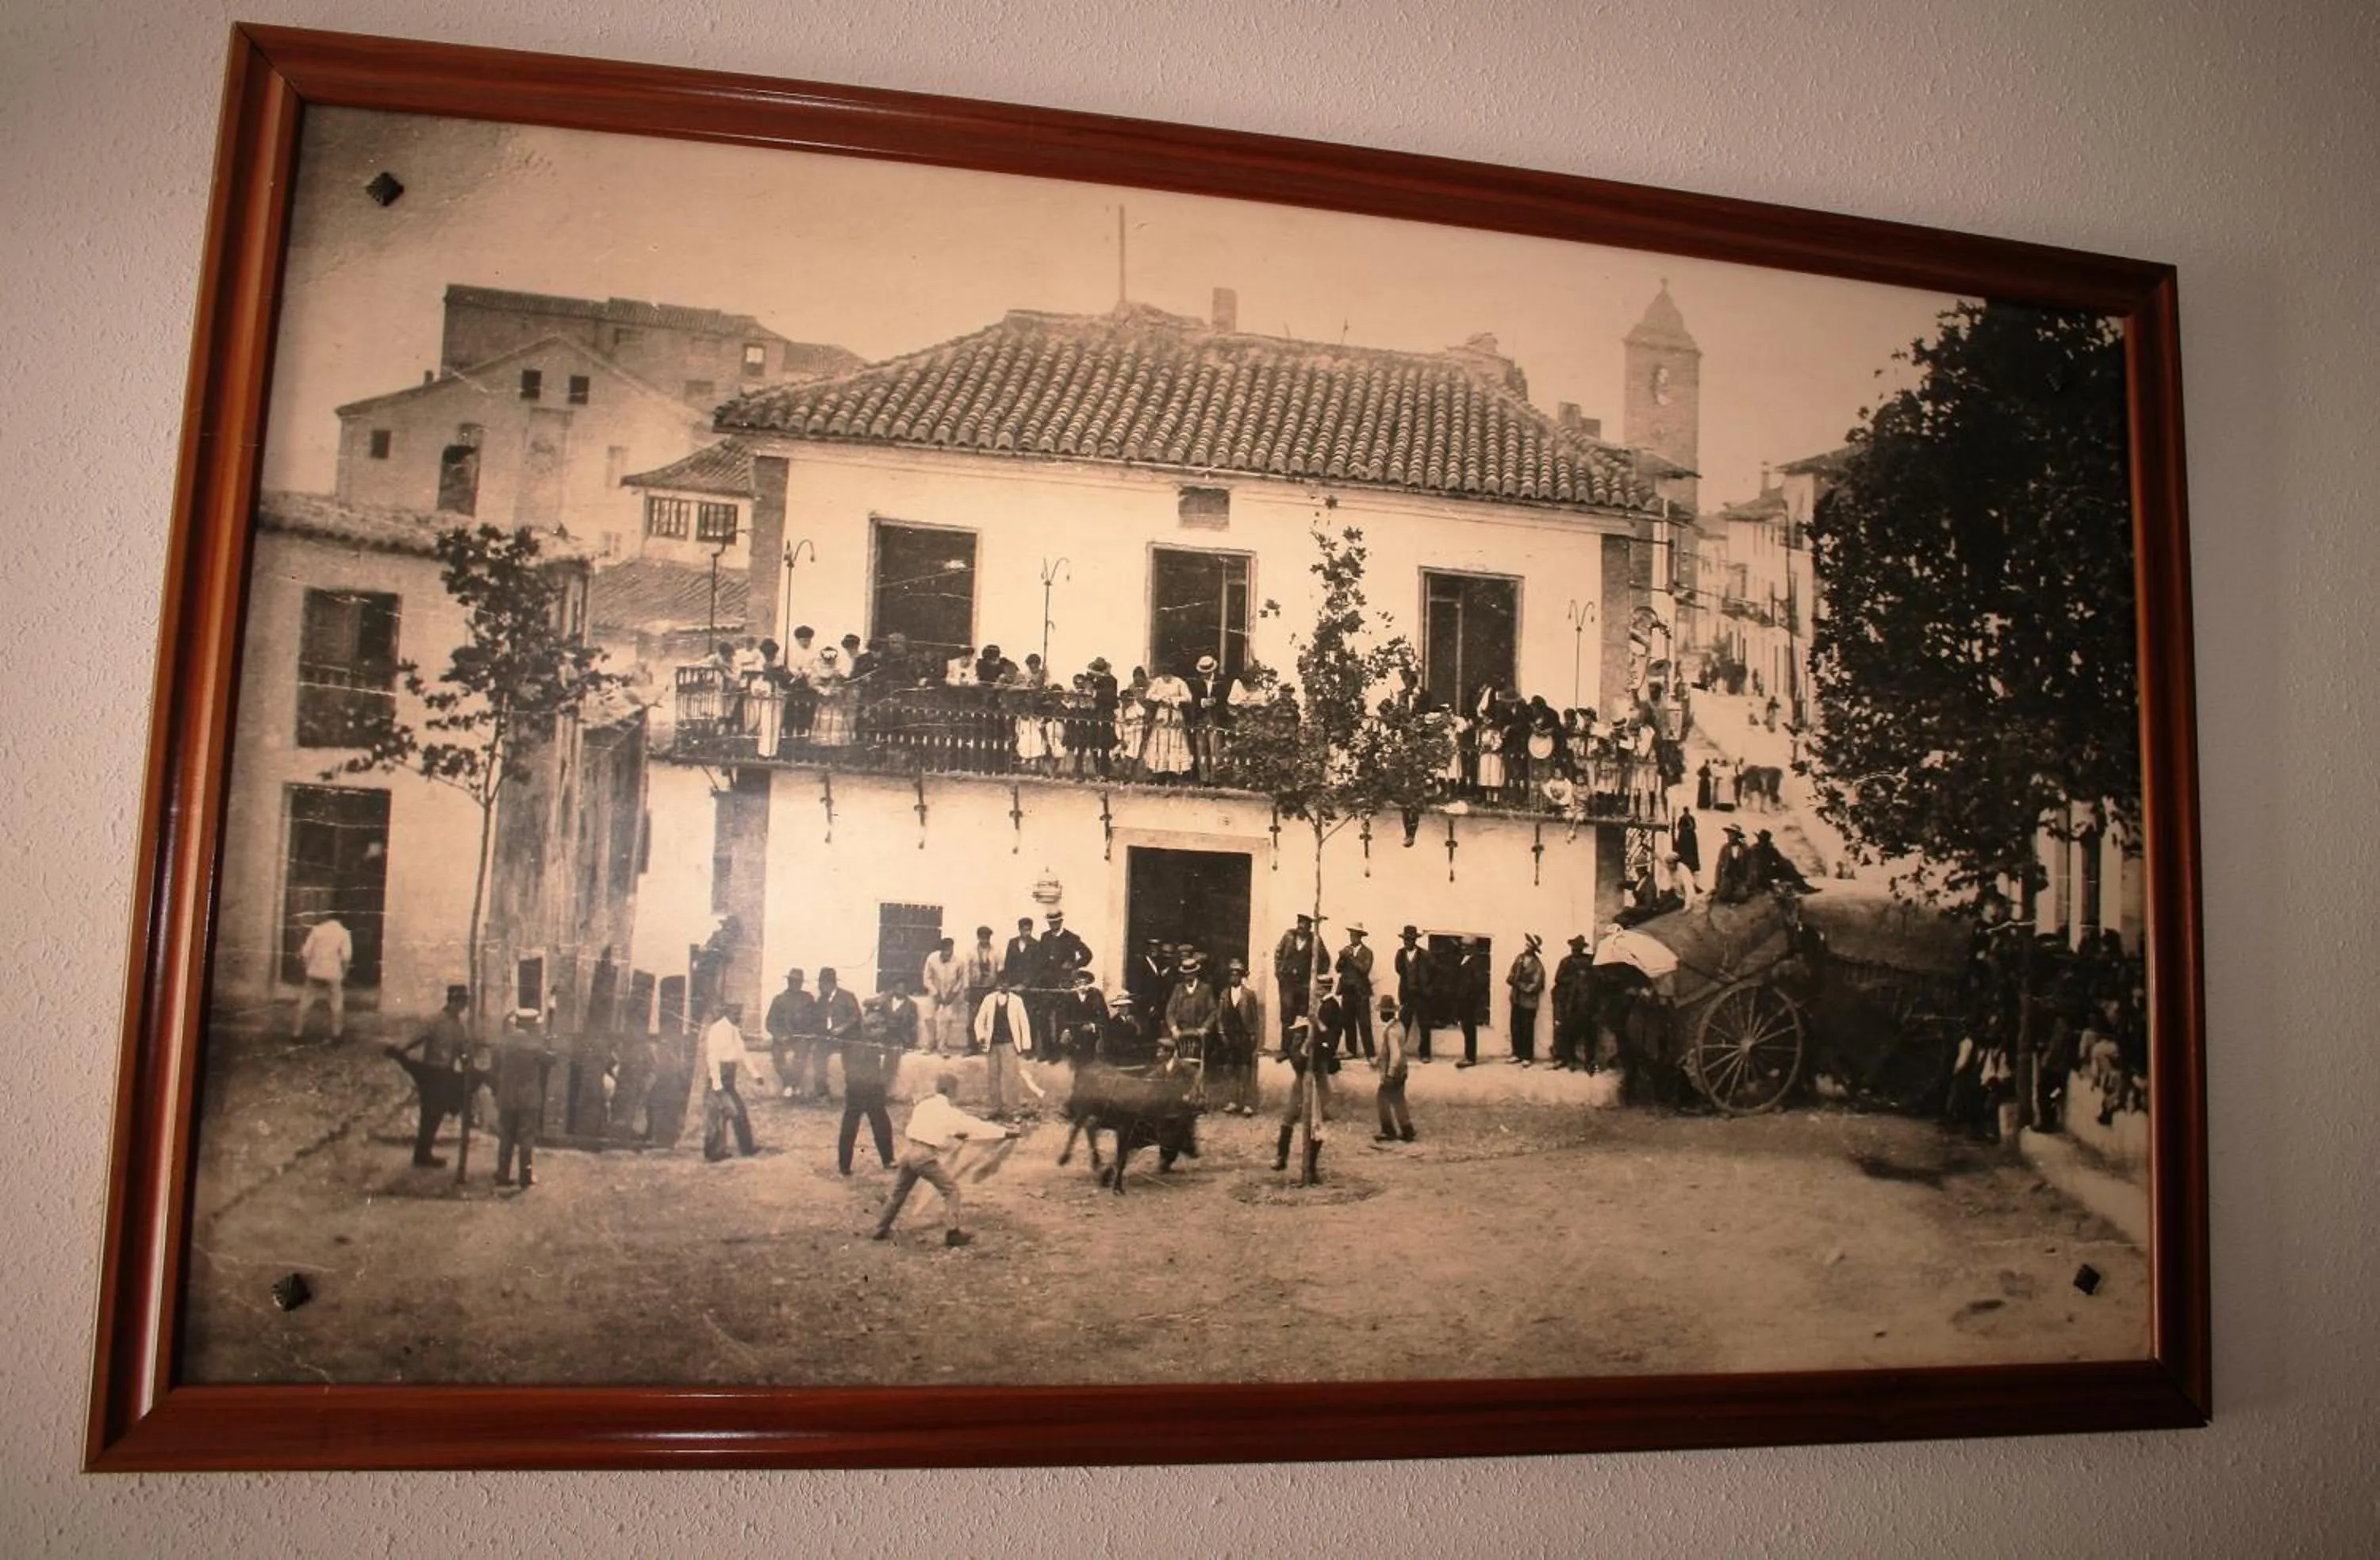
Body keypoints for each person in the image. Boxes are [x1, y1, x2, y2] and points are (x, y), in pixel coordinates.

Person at [872, 1071, 1012, 1247]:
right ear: (950, 1090)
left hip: (908, 1152)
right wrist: (1005, 1133)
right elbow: (973, 1126)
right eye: (955, 1090)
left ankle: (880, 1229)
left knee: (898, 1193)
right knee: (951, 1191)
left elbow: (932, 1126)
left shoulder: (923, 1105)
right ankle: (953, 1234)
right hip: (924, 1155)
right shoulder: (948, 1112)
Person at [386, 984, 470, 1168]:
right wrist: (400, 1049)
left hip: (445, 1074)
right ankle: (422, 1154)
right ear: (454, 1001)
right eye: (462, 1002)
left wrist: (466, 1064)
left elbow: (463, 1051)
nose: (464, 1007)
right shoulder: (436, 1021)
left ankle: (424, 1153)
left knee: (436, 1115)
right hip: (432, 1072)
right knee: (429, 1114)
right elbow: (416, 1038)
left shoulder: (459, 1027)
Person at [838, 1000, 904, 1175]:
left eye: (880, 1022)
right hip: (858, 1087)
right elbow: (849, 1064)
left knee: (881, 1123)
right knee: (851, 1125)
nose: (878, 1027)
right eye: (874, 1024)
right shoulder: (857, 1039)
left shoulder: (880, 1036)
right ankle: (844, 1165)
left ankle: (887, 1159)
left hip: (873, 1087)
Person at [492, 1007, 554, 1189]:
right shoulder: (536, 1046)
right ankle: (525, 1175)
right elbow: (551, 1060)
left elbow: (495, 1064)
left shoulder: (503, 1043)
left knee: (506, 1136)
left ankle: (502, 1174)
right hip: (528, 1096)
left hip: (507, 1095)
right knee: (526, 1136)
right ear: (532, 1026)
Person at [701, 1001, 758, 1161]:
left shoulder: (734, 1030)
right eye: (735, 1014)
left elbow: (743, 1054)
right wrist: (717, 1084)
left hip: (730, 1077)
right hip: (718, 1075)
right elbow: (712, 1058)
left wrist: (756, 1074)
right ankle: (713, 1152)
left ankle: (746, 1149)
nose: (738, 1017)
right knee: (718, 1114)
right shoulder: (717, 1029)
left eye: (739, 1014)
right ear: (727, 1013)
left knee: (738, 1111)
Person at [1161, 951, 1221, 1101]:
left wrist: (1205, 1028)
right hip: (1181, 1034)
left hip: (1198, 1034)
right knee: (1179, 1064)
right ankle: (1181, 1095)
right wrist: (1174, 1028)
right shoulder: (1178, 989)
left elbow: (1213, 1012)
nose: (1189, 977)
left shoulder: (1205, 989)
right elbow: (1170, 1011)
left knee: (1198, 1065)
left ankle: (1197, 1094)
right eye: (1186, 974)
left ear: (1196, 973)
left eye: (1191, 974)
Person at [973, 977, 1035, 1117]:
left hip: (1009, 1043)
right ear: (996, 985)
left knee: (1011, 1076)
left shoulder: (1016, 1001)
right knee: (993, 1076)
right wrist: (981, 1036)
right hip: (992, 1043)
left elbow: (1024, 1023)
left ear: (1009, 985)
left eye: (1006, 983)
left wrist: (1025, 1044)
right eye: (1001, 983)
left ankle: (1014, 1109)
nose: (1003, 986)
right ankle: (995, 1108)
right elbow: (979, 1020)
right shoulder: (989, 1000)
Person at [291, 913, 354, 1040]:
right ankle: (336, 1035)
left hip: (315, 970)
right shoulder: (343, 933)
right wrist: (344, 974)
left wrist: (307, 967)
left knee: (305, 1002)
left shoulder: (317, 930)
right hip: (333, 972)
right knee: (336, 1002)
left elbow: (305, 953)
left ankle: (296, 1033)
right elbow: (346, 957)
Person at [1217, 958, 1263, 1116]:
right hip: (1229, 1036)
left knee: (1245, 1070)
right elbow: (1220, 1016)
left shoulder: (1249, 995)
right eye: (1231, 975)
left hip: (1244, 1035)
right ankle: (1233, 1101)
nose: (1234, 978)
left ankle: (1248, 1103)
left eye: (1237, 975)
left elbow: (1255, 1018)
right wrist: (1222, 1032)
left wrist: (1255, 1035)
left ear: (1241, 976)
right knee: (1230, 1069)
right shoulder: (1224, 994)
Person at [808, 967, 861, 1104]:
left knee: (851, 1061)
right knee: (818, 1055)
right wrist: (820, 1032)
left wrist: (842, 1028)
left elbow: (855, 1016)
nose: (820, 987)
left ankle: (853, 1094)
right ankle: (822, 1094)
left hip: (847, 1037)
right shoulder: (821, 1001)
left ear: (830, 984)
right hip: (828, 1037)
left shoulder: (847, 996)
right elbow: (816, 1020)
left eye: (822, 983)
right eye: (820, 983)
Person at [1273, 914, 1326, 1046]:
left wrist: (1315, 977)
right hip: (1287, 984)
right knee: (1287, 1014)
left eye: (1305, 928)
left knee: (1302, 1016)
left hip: (1304, 984)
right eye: (1299, 927)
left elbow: (1325, 960)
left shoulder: (1315, 940)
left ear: (1309, 929)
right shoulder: (1288, 936)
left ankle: (1298, 1049)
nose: (1301, 930)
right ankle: (1285, 1048)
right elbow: (1278, 953)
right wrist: (1280, 972)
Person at [764, 968, 816, 1101]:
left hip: (801, 1037)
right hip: (783, 1037)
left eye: (798, 982)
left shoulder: (807, 999)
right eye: (792, 981)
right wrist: (779, 1036)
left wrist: (809, 1034)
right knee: (777, 1056)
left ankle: (795, 1084)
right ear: (788, 981)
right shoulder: (779, 999)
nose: (795, 984)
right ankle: (788, 1084)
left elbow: (815, 1019)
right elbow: (770, 1022)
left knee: (801, 1056)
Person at [1372, 995, 1416, 1143]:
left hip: (1394, 1072)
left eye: (1382, 1013)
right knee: (1398, 1100)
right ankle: (1407, 1130)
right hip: (1402, 1070)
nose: (1380, 1015)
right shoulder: (1400, 1026)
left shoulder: (1391, 1031)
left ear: (1386, 1014)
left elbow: (1395, 1054)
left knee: (1382, 1099)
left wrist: (1390, 1074)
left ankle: (1388, 1130)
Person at [1551, 934, 1596, 1070]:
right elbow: (1558, 979)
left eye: (1578, 948)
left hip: (1588, 1004)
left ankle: (1590, 1062)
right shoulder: (1566, 962)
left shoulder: (1589, 962)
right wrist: (1574, 979)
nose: (1575, 950)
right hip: (1571, 1004)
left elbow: (1596, 980)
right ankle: (1569, 1059)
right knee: (1569, 1032)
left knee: (1590, 1034)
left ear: (1582, 949)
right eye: (1574, 948)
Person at [1394, 924, 1438, 1063]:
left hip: (1421, 995)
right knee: (1402, 1024)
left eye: (1410, 939)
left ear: (1415, 940)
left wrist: (1427, 988)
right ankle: (1398, 1052)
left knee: (1424, 1025)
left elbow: (1434, 972)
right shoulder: (1400, 954)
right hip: (1407, 995)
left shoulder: (1425, 955)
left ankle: (1425, 1054)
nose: (1407, 942)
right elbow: (1399, 970)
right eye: (1405, 939)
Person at [1141, 665, 1195, 778]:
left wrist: (1175, 700)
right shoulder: (1158, 682)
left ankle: (1175, 770)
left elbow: (1188, 697)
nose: (1165, 678)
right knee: (1161, 740)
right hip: (1162, 713)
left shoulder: (1179, 682)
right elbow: (1149, 695)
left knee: (1176, 741)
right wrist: (1160, 698)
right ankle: (1160, 770)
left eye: (1168, 675)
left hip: (1175, 713)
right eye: (1164, 675)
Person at [919, 937, 969, 1055]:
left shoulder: (959, 962)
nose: (948, 953)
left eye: (950, 950)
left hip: (950, 994)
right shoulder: (932, 959)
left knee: (946, 1019)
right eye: (946, 950)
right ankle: (929, 1044)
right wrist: (935, 992)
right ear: (941, 950)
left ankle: (942, 1046)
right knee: (929, 1017)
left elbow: (961, 980)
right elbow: (927, 978)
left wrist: (952, 994)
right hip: (934, 992)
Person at [1334, 924, 1376, 1062]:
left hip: (1361, 992)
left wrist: (1351, 957)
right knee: (1348, 1022)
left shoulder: (1367, 952)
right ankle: (1351, 1051)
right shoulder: (1347, 951)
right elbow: (1338, 969)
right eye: (1351, 935)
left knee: (1364, 1023)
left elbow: (1364, 969)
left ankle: (1370, 1054)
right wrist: (1341, 957)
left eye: (1355, 935)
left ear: (1360, 937)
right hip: (1347, 991)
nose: (1352, 938)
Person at [1505, 934, 1546, 1065]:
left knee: (1527, 1029)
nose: (1526, 947)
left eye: (1529, 945)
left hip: (1529, 1002)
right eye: (1526, 944)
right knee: (1515, 1027)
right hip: (1516, 999)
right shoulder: (1519, 958)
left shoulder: (1538, 965)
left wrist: (1519, 985)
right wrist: (1512, 980)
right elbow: (1511, 974)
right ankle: (1516, 1053)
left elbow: (1536, 985)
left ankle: (1527, 1057)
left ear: (1534, 948)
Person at [1453, 936, 1491, 1066]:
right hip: (1463, 1000)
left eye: (1466, 946)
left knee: (1470, 1029)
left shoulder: (1477, 962)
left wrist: (1471, 996)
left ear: (1472, 948)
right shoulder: (1464, 959)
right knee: (1466, 1028)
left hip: (1470, 1001)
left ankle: (1470, 1057)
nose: (1463, 948)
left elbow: (1480, 983)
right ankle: (1468, 1055)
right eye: (1462, 946)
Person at [962, 925, 999, 1045]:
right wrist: (966, 988)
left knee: (990, 1017)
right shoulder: (971, 952)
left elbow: (1001, 970)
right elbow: (966, 970)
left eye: (987, 938)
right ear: (978, 938)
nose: (984, 940)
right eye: (982, 938)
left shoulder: (996, 952)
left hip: (990, 988)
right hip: (975, 989)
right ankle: (971, 1046)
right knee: (973, 1018)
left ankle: (988, 1045)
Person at [1713, 823, 1753, 902]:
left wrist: (1748, 882)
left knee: (1741, 897)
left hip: (1740, 878)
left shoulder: (1745, 849)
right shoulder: (1725, 848)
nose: (1729, 837)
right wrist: (1717, 880)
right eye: (1729, 835)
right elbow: (1719, 865)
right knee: (1723, 895)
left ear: (1738, 837)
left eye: (1732, 835)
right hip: (1728, 877)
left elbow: (1750, 866)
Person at [1000, 916, 1039, 990]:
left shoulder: (1036, 944)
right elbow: (1008, 964)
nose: (1028, 933)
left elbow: (1036, 968)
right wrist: (1007, 982)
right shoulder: (1012, 943)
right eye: (1025, 930)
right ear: (1020, 929)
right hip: (1013, 983)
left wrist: (1025, 984)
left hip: (1029, 986)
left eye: (1030, 930)